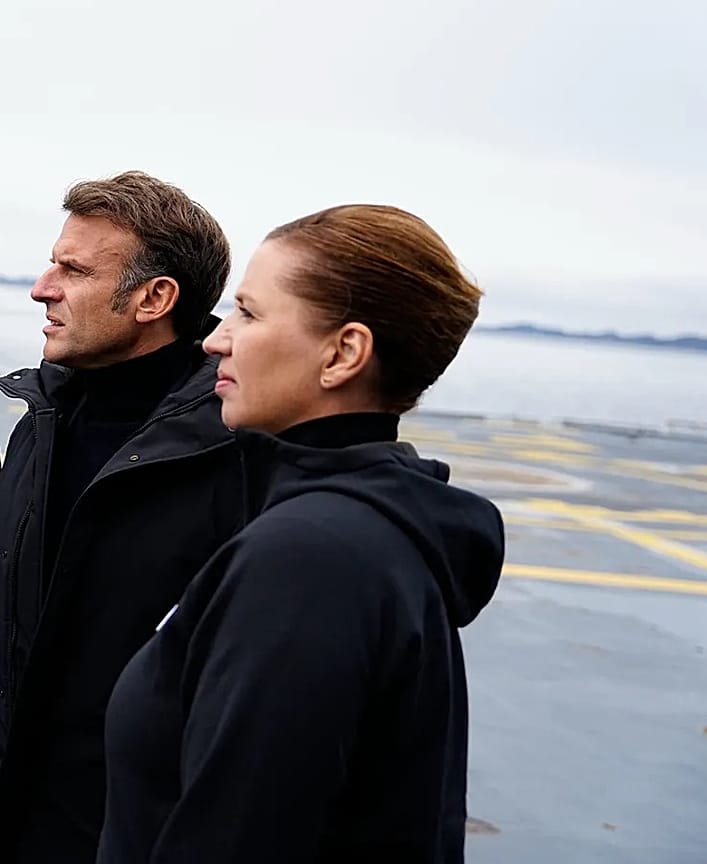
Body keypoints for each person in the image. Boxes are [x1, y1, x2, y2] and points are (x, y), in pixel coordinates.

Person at [96, 204, 506, 863]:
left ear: (344, 353)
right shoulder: (367, 531)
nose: (216, 339)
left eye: (250, 314)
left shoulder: (309, 560)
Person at [0, 171, 243, 863]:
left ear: (154, 298)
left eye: (73, 270)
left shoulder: (234, 457)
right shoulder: (41, 423)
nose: (41, 287)